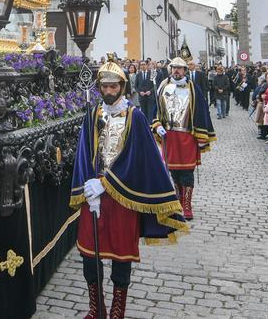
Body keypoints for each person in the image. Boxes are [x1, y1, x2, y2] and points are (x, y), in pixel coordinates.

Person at [71, 61, 187, 319]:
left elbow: (137, 160)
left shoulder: (136, 117)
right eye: (105, 86)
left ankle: (116, 311)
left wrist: (105, 184)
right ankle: (96, 308)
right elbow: (84, 153)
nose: (109, 90)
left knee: (121, 259)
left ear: (122, 87)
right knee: (90, 255)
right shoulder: (92, 115)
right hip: (94, 198)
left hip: (123, 197)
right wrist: (89, 187)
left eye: (114, 85)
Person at [150, 57, 215, 221]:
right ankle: (178, 200)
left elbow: (201, 111)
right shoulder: (163, 86)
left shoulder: (193, 88)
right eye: (174, 68)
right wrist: (157, 125)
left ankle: (187, 204)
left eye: (180, 68)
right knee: (173, 172)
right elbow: (156, 109)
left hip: (187, 135)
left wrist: (201, 137)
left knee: (187, 172)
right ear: (170, 69)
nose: (176, 71)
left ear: (185, 71)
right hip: (169, 136)